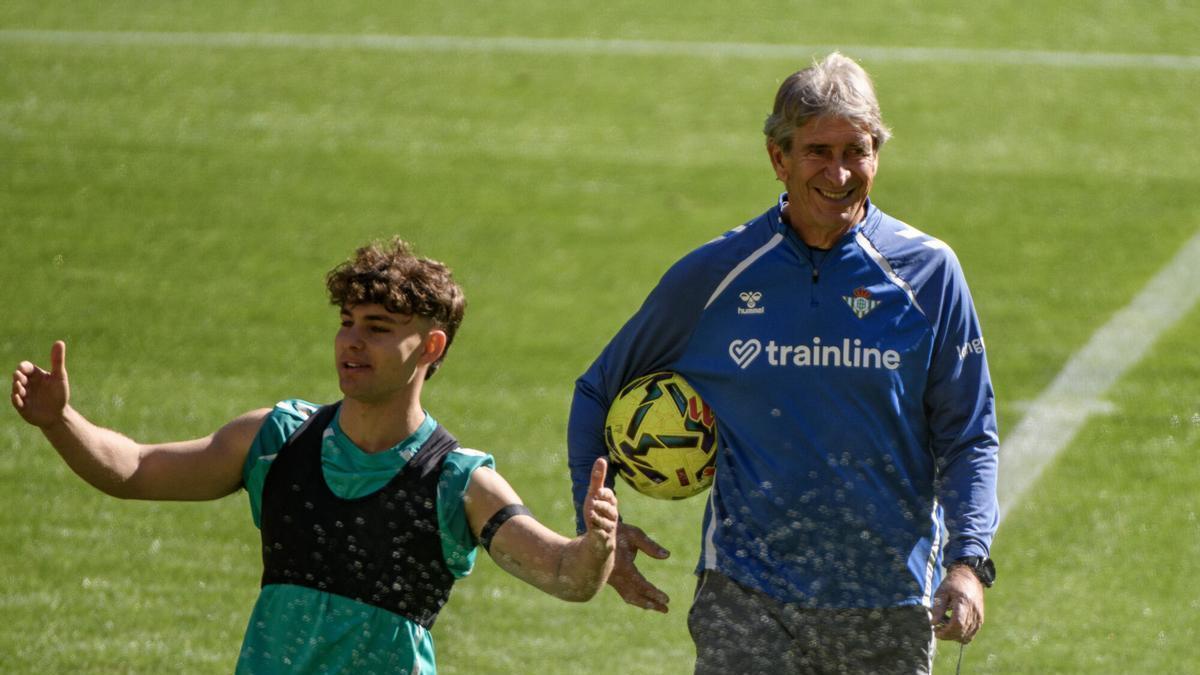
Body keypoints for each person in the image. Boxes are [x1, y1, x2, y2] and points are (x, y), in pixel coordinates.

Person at [567, 52, 998, 674]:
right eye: (819, 152)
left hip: (889, 600)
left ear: (878, 153)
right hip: (746, 594)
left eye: (858, 151)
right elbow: (597, 389)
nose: (841, 172)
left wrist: (968, 561)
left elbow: (969, 435)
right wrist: (599, 529)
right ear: (779, 158)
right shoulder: (716, 275)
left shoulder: (930, 275)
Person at [12, 237, 619, 674]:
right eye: (347, 322)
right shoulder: (279, 441)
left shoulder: (457, 481)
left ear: (430, 347)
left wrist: (597, 545)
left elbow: (565, 575)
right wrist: (61, 421)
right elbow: (136, 470)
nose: (352, 340)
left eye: (378, 327)